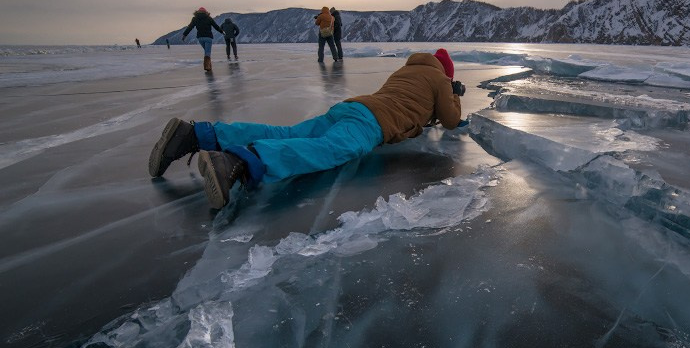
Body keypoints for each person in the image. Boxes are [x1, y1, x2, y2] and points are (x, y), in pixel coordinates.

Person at [148, 48, 466, 209]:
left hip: (353, 107)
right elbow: (449, 120)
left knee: (288, 134)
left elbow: (417, 109)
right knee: (330, 150)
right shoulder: (440, 80)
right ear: (446, 73)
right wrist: (453, 94)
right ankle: (240, 162)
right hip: (373, 123)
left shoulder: (405, 71)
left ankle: (197, 134)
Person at [182, 7, 223, 72]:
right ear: (206, 12)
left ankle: (209, 66)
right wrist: (222, 32)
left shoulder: (195, 19)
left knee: (206, 51)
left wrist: (184, 35)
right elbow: (216, 26)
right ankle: (207, 66)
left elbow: (190, 27)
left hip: (200, 38)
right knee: (207, 52)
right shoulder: (209, 18)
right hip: (208, 37)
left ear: (197, 12)